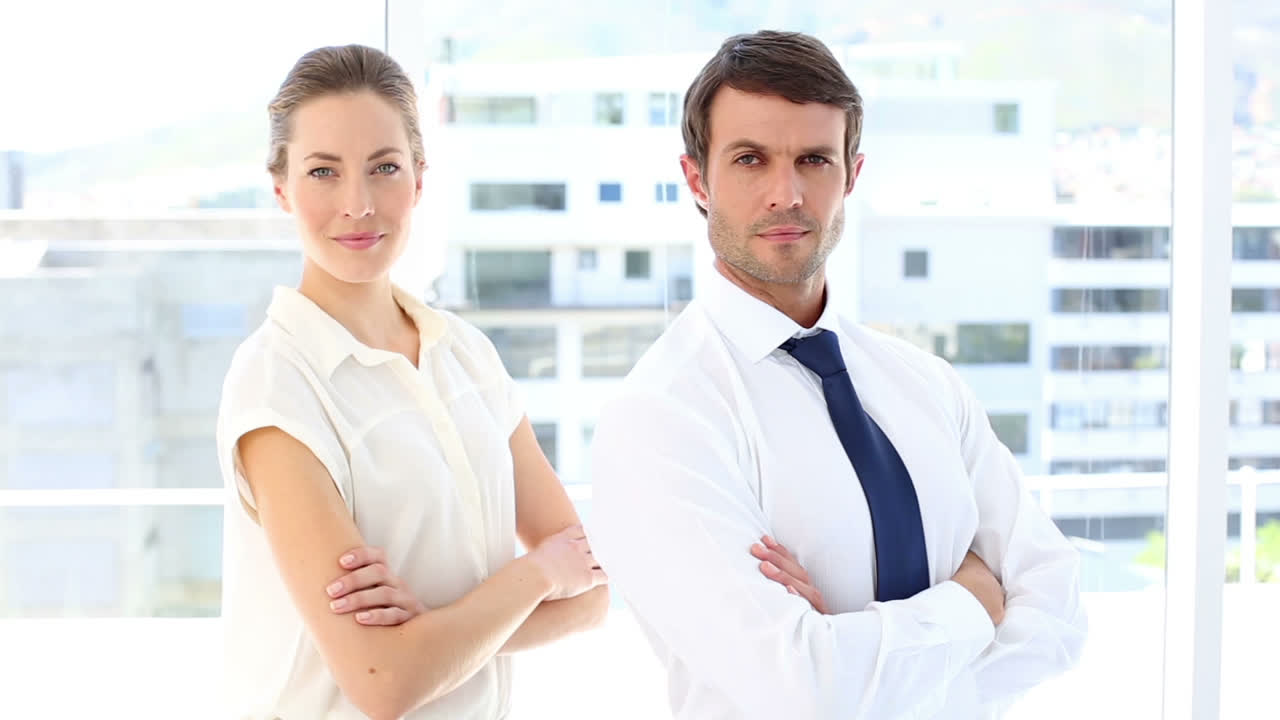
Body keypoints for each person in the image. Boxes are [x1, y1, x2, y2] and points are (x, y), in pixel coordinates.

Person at [587, 30, 1087, 719]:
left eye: (814, 159)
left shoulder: (927, 385)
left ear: (851, 173)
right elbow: (800, 686)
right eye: (751, 159)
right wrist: (974, 598)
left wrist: (859, 656)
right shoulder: (661, 417)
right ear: (698, 178)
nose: (786, 194)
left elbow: (1058, 609)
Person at [215, 44, 608, 720]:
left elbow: (592, 596)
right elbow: (384, 682)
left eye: (384, 168)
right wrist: (536, 575)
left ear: (420, 180)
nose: (358, 204)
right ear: (281, 187)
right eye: (323, 172)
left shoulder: (467, 356)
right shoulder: (278, 385)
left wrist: (435, 632)